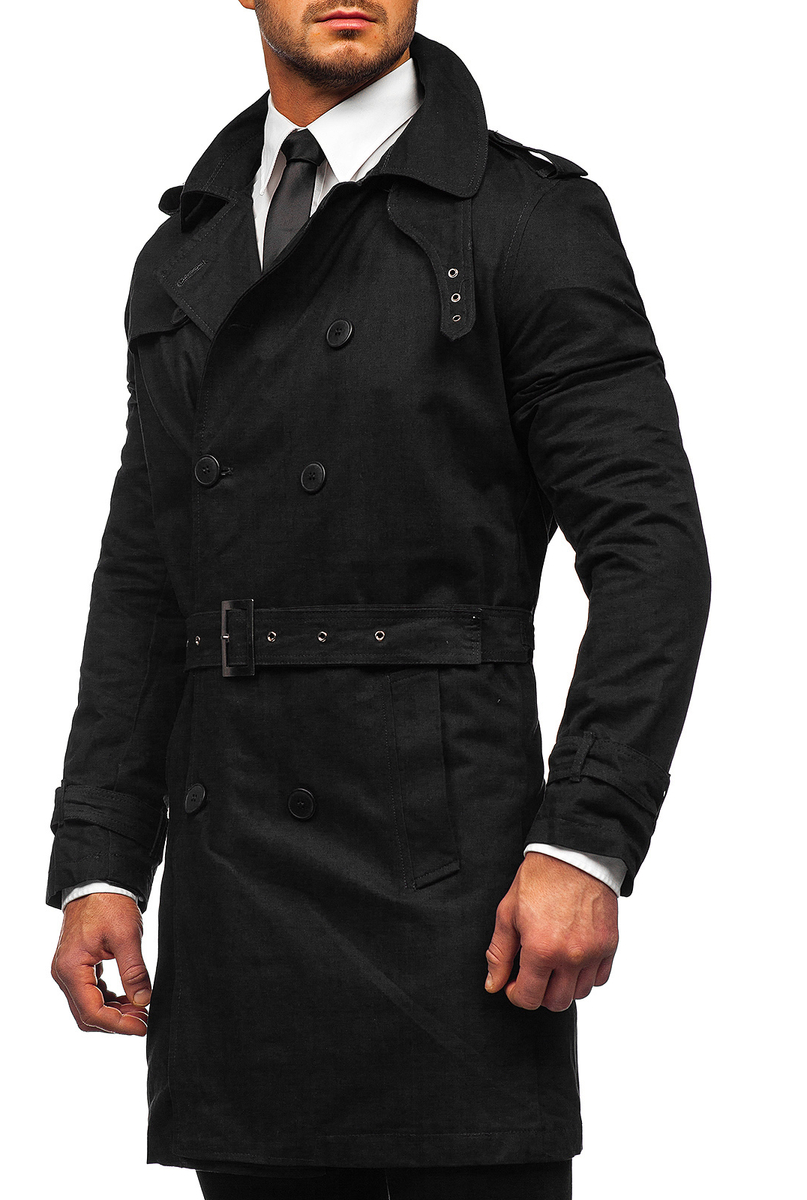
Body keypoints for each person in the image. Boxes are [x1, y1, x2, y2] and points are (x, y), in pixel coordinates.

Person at [47, 3, 711, 1197]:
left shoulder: (525, 216)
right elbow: (147, 578)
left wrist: (587, 838)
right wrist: (101, 858)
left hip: (452, 895)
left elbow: (650, 549)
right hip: (237, 896)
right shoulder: (188, 246)